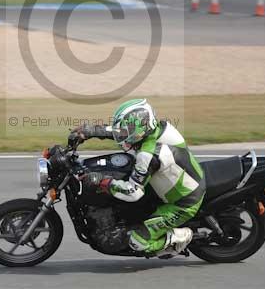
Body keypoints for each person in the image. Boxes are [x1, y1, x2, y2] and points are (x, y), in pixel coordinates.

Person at [68, 98, 205, 257]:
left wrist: (104, 181)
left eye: (128, 129)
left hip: (183, 202)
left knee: (137, 242)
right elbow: (121, 132)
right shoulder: (159, 128)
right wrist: (91, 131)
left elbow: (133, 192)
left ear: (140, 129)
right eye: (125, 129)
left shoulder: (148, 155)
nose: (124, 133)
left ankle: (179, 237)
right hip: (177, 181)